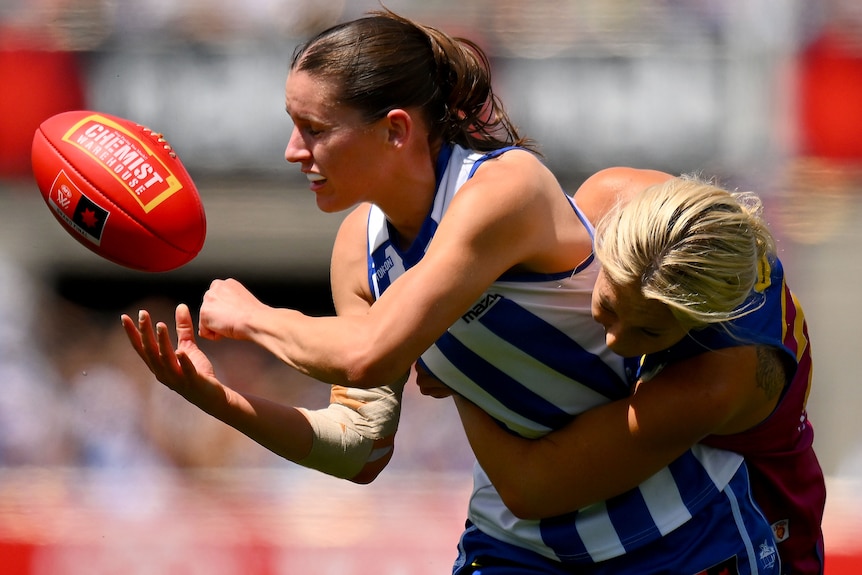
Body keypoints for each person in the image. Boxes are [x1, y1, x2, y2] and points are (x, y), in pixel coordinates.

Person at [121, 11, 778, 574]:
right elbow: (360, 443)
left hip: (678, 538)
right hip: (513, 550)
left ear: (396, 130)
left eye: (315, 128)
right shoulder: (358, 250)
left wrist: (252, 318)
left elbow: (371, 351)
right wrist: (220, 398)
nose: (294, 150)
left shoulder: (502, 191)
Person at [445, 170, 825, 574]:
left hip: (752, 519)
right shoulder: (608, 200)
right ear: (603, 243)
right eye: (608, 306)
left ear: (700, 322)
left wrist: (455, 364)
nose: (616, 341)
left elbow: (530, 486)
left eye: (650, 330)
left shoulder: (719, 378)